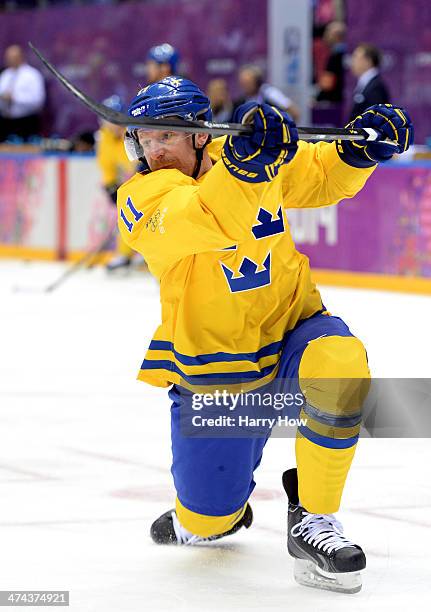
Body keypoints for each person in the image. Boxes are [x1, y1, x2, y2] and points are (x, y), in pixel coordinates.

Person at [117, 76, 413, 593]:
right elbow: (209, 215)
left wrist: (362, 149)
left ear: (202, 134)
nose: (153, 148)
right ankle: (213, 517)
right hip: (218, 372)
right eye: (145, 138)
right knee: (208, 519)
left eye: (166, 135)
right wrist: (247, 166)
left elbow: (318, 175)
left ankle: (315, 519)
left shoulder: (246, 153)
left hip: (294, 330)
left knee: (341, 363)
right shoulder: (141, 196)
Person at [96, 95, 137, 271]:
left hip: (147, 177)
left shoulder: (133, 134)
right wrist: (111, 186)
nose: (108, 123)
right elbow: (106, 166)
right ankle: (125, 254)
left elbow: (141, 163)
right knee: (126, 214)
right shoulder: (104, 137)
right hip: (129, 180)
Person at [0, 44, 46, 142]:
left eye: (12, 57)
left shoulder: (32, 75)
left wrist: (14, 98)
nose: (9, 60)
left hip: (25, 123)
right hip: (5, 122)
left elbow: (37, 101)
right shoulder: (5, 75)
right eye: (7, 57)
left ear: (20, 57)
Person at [234, 64, 300, 122]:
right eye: (243, 83)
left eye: (248, 82)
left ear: (257, 81)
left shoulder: (270, 93)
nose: (244, 86)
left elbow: (294, 112)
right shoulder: (241, 101)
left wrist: (285, 128)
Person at [350, 44, 390, 121]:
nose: (352, 62)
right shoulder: (366, 84)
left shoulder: (376, 87)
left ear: (367, 61)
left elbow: (375, 119)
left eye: (355, 57)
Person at [316, 21, 346, 103]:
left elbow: (327, 83)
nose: (324, 36)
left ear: (336, 36)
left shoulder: (336, 55)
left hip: (335, 103)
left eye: (327, 32)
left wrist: (317, 99)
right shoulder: (345, 53)